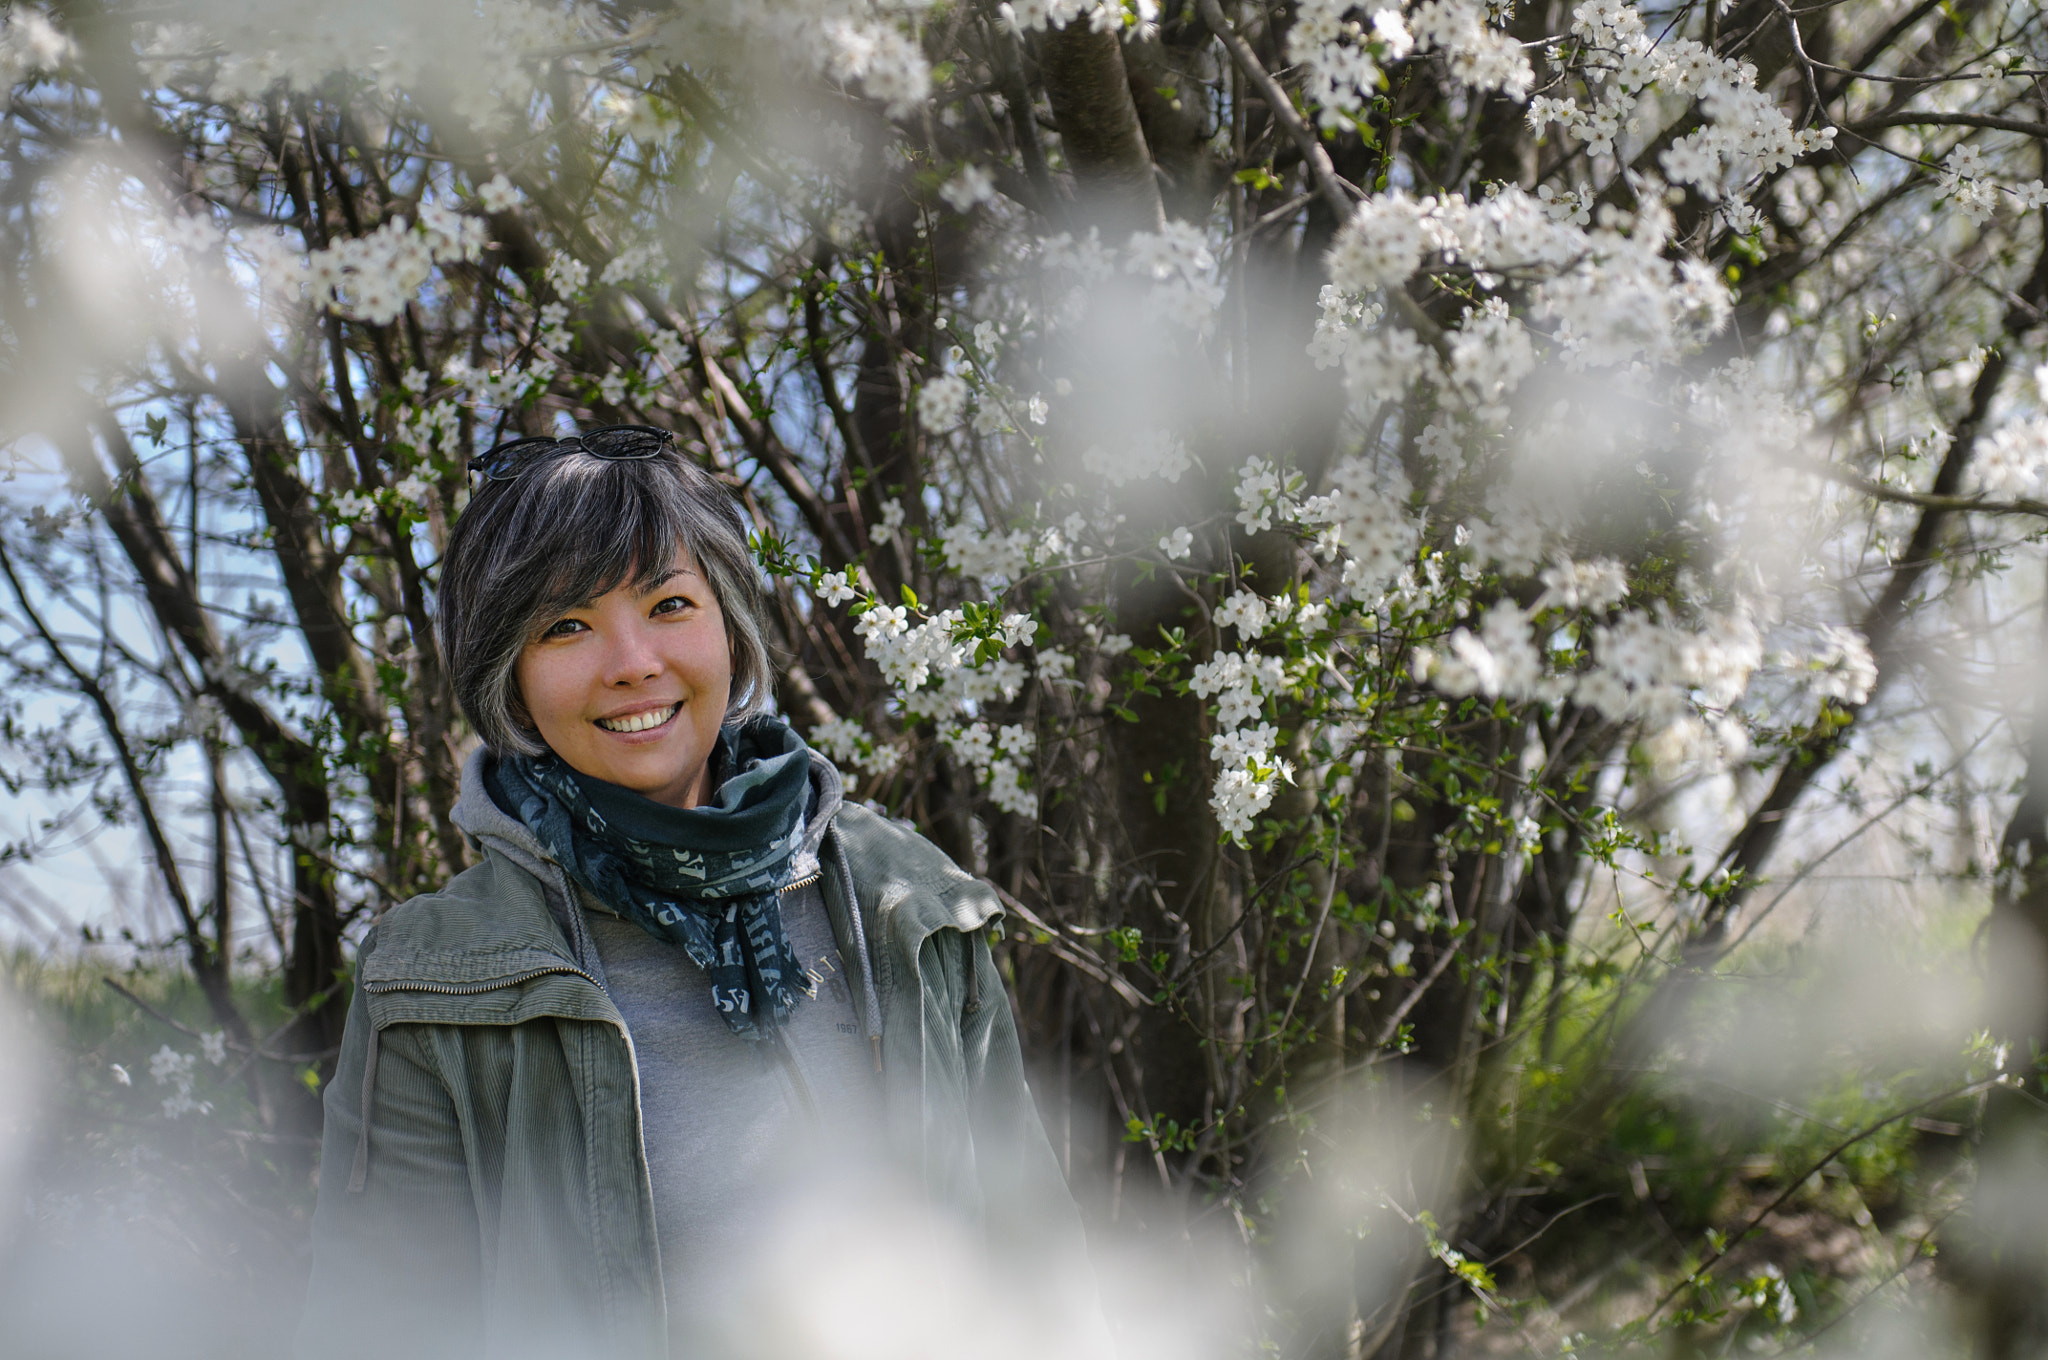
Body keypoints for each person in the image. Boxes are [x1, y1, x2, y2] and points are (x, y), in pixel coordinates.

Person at [296, 426, 1102, 1360]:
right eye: (564, 626)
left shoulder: (908, 901)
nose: (632, 661)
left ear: (731, 628)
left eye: (670, 603)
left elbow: (1041, 1276)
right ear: (507, 681)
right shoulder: (436, 980)